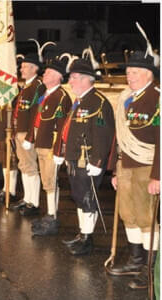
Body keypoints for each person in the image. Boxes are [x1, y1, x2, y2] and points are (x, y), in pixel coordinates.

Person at [106, 51, 160, 290]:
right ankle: (135, 260)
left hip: (147, 166)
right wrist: (115, 170)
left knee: (147, 218)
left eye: (135, 72)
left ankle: (150, 269)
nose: (130, 77)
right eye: (128, 73)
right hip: (126, 164)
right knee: (128, 214)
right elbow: (119, 136)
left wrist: (158, 175)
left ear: (149, 74)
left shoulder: (156, 98)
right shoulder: (126, 98)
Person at [53, 58, 115, 256]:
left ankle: (88, 238)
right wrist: (62, 152)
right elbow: (69, 130)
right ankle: (82, 234)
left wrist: (97, 162)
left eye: (73, 78)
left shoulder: (98, 102)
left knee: (87, 198)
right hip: (75, 158)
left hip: (87, 160)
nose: (69, 82)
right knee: (79, 197)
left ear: (86, 79)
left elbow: (104, 134)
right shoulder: (80, 101)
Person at [27, 57, 72, 236]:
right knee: (46, 179)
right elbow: (37, 118)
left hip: (51, 144)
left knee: (51, 180)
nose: (44, 74)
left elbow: (63, 126)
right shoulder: (45, 94)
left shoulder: (61, 97)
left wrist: (59, 149)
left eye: (47, 73)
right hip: (41, 141)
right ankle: (49, 213)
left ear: (57, 76)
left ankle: (52, 216)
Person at [6, 53, 45, 214]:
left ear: (34, 68)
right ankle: (27, 198)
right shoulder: (27, 86)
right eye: (21, 66)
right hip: (19, 131)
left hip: (27, 133)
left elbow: (36, 113)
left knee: (30, 167)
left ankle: (33, 202)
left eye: (25, 66)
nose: (21, 69)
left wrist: (30, 136)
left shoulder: (38, 86)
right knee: (23, 165)